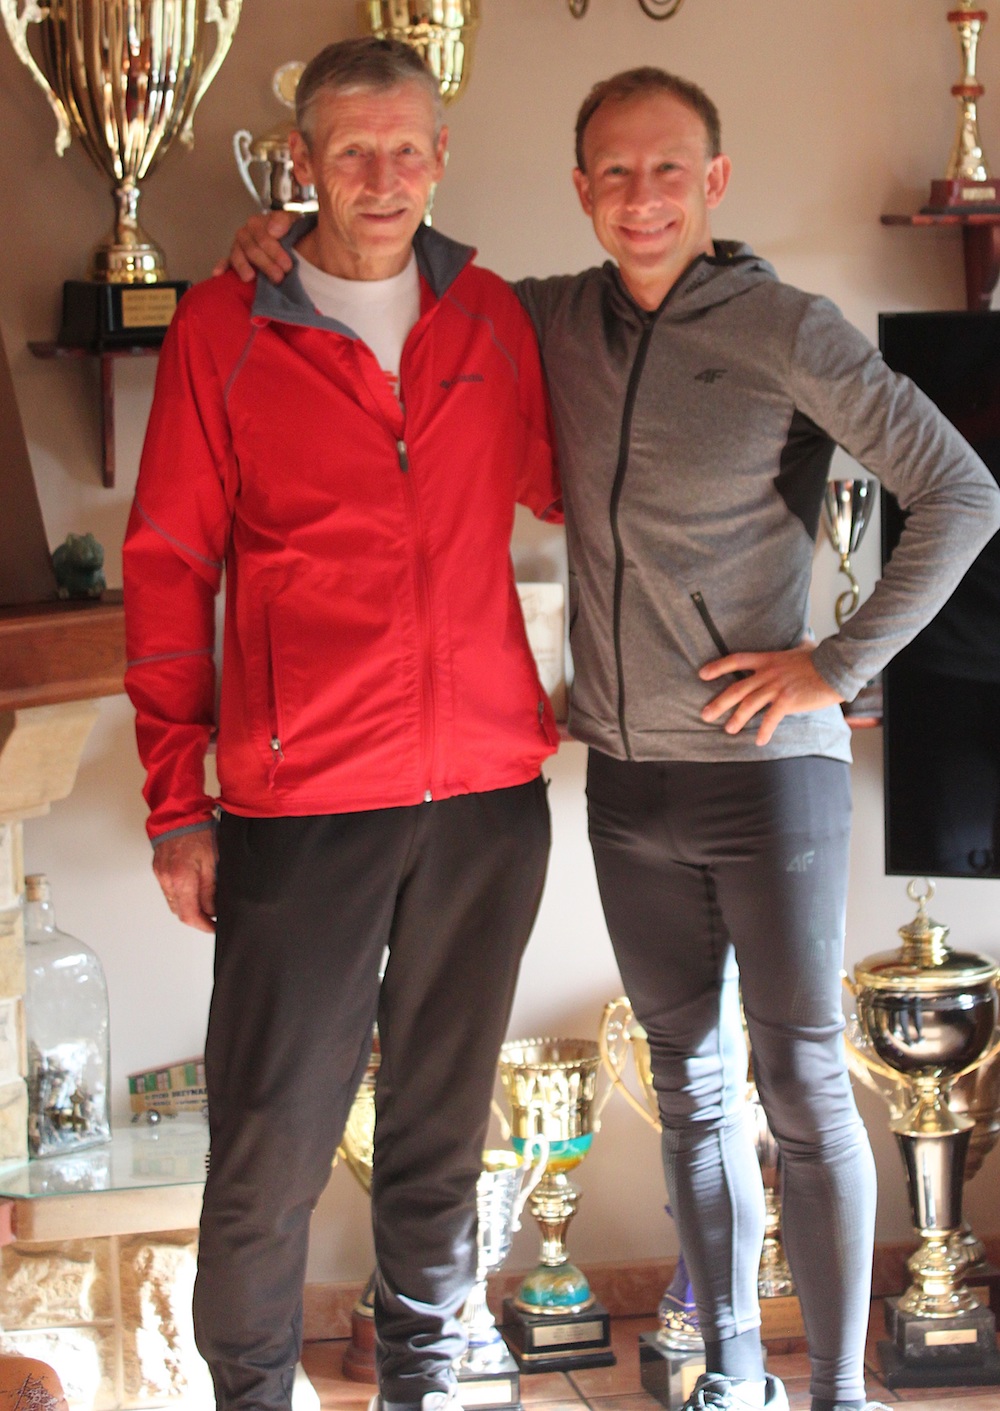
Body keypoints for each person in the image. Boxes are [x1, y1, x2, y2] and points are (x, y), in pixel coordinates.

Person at [223, 66, 1000, 1411]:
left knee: (805, 1084)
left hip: (768, 778)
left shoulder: (789, 328)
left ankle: (840, 1395)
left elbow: (963, 489)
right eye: (616, 174)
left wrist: (836, 664)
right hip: (629, 783)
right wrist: (281, 237)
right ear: (582, 190)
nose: (643, 198)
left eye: (669, 170)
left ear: (716, 181)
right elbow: (392, 270)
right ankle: (735, 1373)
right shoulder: (541, 320)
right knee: (690, 1092)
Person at [123, 37, 562, 1411]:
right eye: (352, 151)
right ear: (302, 162)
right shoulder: (224, 327)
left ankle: (423, 1388)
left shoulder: (492, 318)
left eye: (406, 149)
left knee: (440, 1146)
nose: (383, 178)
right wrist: (176, 800)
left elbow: (579, 483)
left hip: (486, 800)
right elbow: (167, 566)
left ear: (441, 157)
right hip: (303, 802)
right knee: (270, 1145)